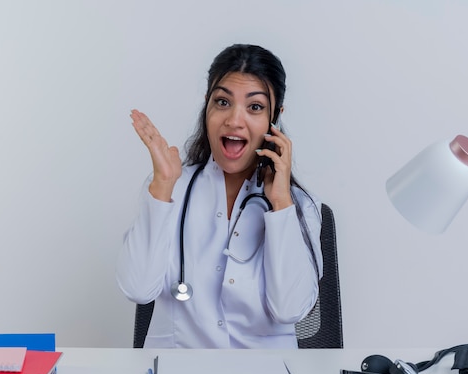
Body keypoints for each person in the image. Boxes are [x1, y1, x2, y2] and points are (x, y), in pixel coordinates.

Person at [117, 44, 323, 348]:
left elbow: (290, 309)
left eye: (255, 107)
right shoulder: (171, 186)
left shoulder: (298, 205)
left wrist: (281, 206)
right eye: (223, 102)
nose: (234, 120)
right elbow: (137, 289)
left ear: (275, 119)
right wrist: (162, 186)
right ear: (207, 107)